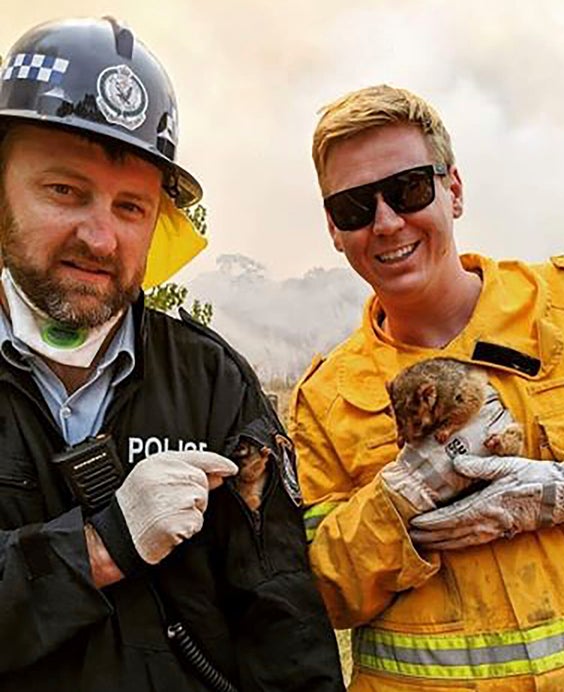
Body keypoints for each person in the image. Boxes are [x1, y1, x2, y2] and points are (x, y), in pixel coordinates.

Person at [289, 83, 564, 691]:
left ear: (454, 190)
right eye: (355, 207)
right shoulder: (326, 398)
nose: (386, 223)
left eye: (409, 189)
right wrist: (397, 506)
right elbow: (314, 593)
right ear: (334, 229)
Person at [0, 17, 344, 692]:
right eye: (64, 190)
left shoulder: (212, 380)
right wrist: (100, 548)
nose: (100, 238)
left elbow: (282, 621)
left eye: (131, 207)